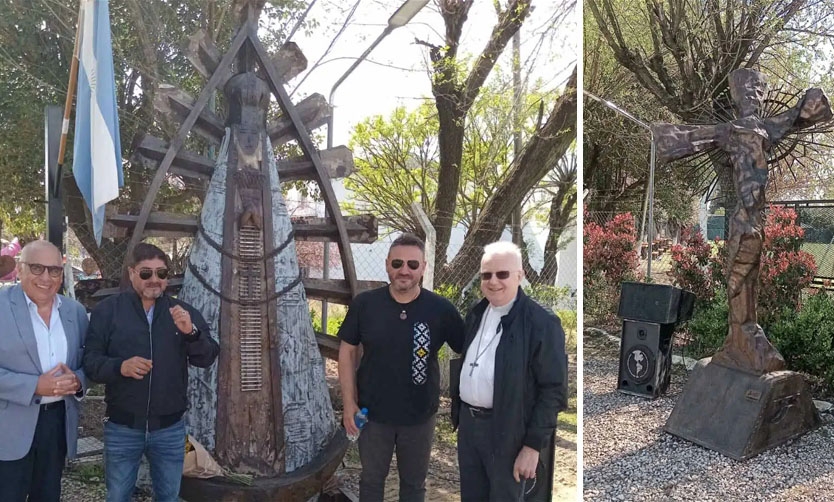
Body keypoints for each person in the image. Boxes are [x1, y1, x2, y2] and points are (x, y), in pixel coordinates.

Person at [83, 242, 219, 502]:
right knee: (118, 496)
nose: (154, 279)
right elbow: (90, 361)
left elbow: (207, 357)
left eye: (161, 273)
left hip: (170, 429)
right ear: (132, 273)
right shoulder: (108, 311)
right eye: (146, 273)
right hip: (122, 426)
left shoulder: (182, 312)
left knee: (169, 496)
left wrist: (191, 333)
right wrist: (120, 366)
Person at [337, 233, 464, 502]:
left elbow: (469, 348)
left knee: (414, 485)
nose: (404, 270)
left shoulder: (440, 309)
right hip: (372, 415)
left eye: (412, 264)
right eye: (397, 263)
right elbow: (347, 351)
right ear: (387, 264)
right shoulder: (365, 304)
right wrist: (349, 403)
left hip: (420, 416)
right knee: (371, 482)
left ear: (423, 268)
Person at [452, 241, 567, 501]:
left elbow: (553, 390)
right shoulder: (477, 313)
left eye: (502, 274)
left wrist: (532, 446)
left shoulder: (541, 322)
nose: (493, 281)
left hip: (509, 431)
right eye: (486, 275)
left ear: (519, 275)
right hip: (469, 427)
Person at [0, 240, 88, 502]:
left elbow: (88, 362)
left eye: (54, 270)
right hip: (8, 425)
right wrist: (34, 386)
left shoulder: (75, 312)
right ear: (20, 268)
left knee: (48, 495)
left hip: (57, 423)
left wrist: (78, 381)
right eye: (37, 268)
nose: (46, 278)